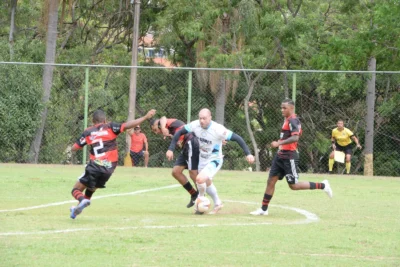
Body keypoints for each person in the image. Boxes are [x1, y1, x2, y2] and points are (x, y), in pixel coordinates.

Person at [69, 109, 156, 219]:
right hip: (109, 169)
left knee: (75, 190)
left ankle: (82, 200)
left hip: (95, 165)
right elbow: (129, 125)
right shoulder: (111, 127)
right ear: (105, 120)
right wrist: (145, 117)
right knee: (90, 189)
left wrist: (88, 139)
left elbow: (74, 148)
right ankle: (77, 209)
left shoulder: (88, 131)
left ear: (92, 121)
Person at [250, 99, 332, 216]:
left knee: (293, 186)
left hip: (289, 157)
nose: (282, 110)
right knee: (270, 181)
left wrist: (279, 143)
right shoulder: (287, 120)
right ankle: (263, 209)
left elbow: (295, 138)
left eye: (284, 108)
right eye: (281, 107)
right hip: (280, 156)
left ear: (291, 108)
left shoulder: (294, 120)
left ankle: (323, 185)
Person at [166, 108, 255, 214]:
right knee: (206, 182)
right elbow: (179, 131)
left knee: (199, 179)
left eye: (204, 118)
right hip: (202, 158)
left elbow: (237, 138)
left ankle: (201, 200)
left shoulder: (218, 129)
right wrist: (171, 149)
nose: (201, 121)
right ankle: (218, 203)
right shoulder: (195, 125)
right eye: (200, 118)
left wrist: (248, 153)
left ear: (210, 118)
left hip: (214, 160)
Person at [150, 116, 199, 208]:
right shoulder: (169, 132)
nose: (156, 132)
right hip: (185, 148)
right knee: (176, 172)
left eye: (155, 129)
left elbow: (163, 118)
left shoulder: (164, 123)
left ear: (157, 124)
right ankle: (194, 194)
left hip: (191, 143)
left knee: (193, 173)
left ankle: (201, 197)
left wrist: (163, 127)